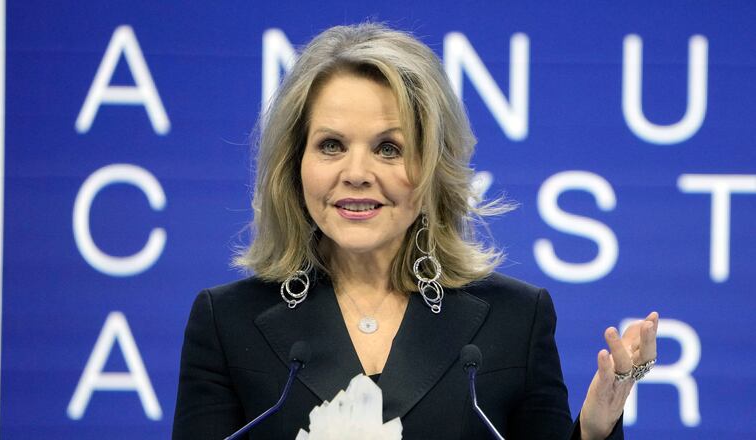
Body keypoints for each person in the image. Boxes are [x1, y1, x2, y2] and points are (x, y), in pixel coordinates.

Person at [172, 23, 658, 439]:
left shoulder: (515, 319)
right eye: (331, 145)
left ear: (433, 170)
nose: (356, 173)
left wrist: (594, 430)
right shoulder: (227, 322)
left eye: (389, 148)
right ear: (295, 164)